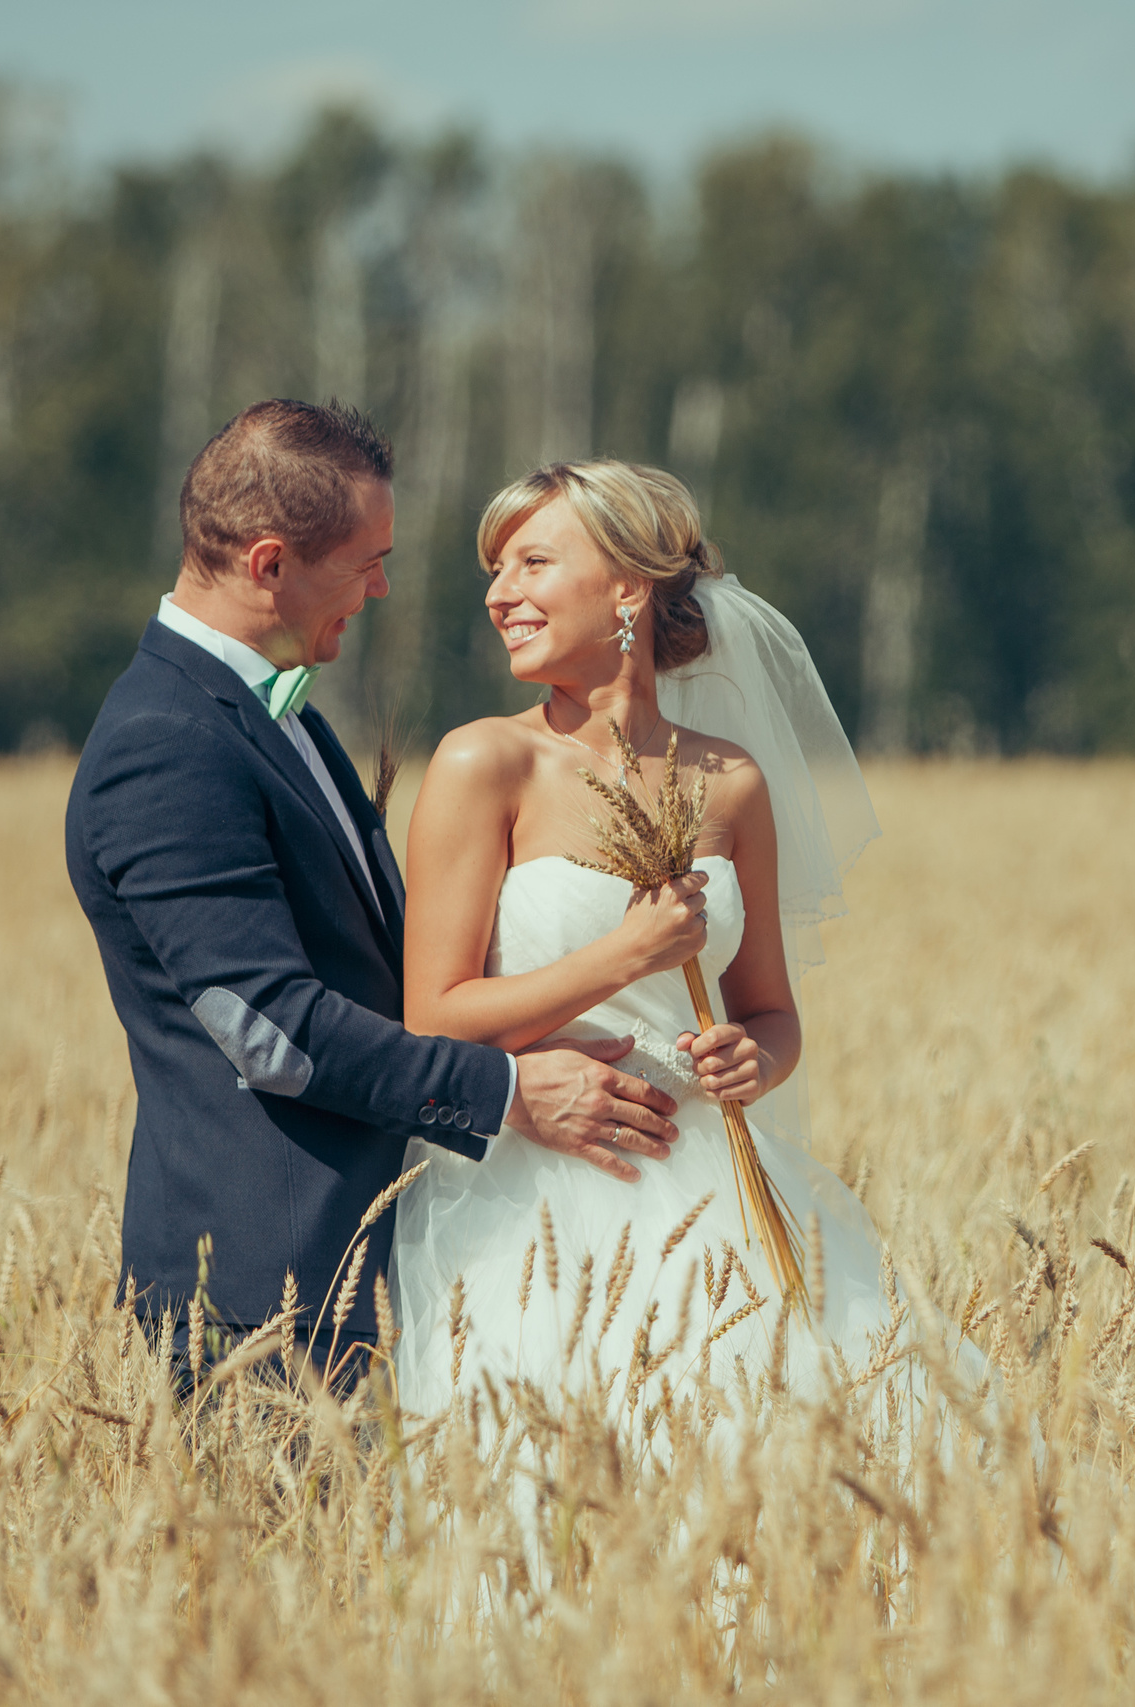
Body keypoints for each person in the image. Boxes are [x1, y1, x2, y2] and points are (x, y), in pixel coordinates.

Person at [65, 402, 686, 1397]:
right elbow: (270, 1029)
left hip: (371, 1264)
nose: (382, 587)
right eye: (365, 562)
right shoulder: (167, 743)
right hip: (266, 1287)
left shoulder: (279, 719)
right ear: (269, 565)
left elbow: (372, 978)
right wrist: (511, 1095)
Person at [392, 458, 976, 1415]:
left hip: (718, 1199)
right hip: (534, 1197)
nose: (502, 596)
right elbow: (434, 1016)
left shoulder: (732, 782)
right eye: (495, 572)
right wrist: (619, 958)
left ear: (629, 585)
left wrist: (757, 1061)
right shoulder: (483, 762)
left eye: (532, 564)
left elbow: (773, 1013)